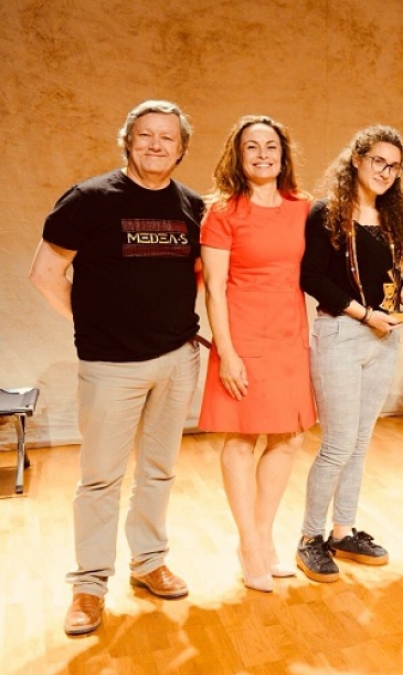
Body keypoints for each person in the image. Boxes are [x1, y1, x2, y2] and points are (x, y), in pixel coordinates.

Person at [30, 100, 203, 636]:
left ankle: (149, 562)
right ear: (128, 140)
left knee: (159, 470)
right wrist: (93, 322)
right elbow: (45, 273)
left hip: (177, 360)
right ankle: (89, 585)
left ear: (181, 149)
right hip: (111, 366)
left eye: (167, 137)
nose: (156, 145)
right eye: (145, 134)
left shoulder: (192, 206)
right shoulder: (88, 199)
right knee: (101, 478)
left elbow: (199, 275)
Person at [296, 126, 403, 581]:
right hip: (342, 334)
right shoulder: (327, 212)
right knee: (337, 445)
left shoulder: (391, 217)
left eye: (394, 167)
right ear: (357, 159)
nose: (385, 172)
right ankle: (309, 538)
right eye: (378, 162)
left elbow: (390, 277)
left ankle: (342, 531)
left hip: (384, 338)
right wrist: (365, 314)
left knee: (360, 442)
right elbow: (312, 277)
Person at [199, 115, 316, 592]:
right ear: (238, 155)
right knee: (242, 438)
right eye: (252, 147)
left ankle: (264, 536)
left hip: (289, 335)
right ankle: (248, 544)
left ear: (283, 155)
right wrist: (226, 352)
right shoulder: (223, 212)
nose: (263, 154)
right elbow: (214, 289)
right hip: (243, 336)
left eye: (271, 146)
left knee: (289, 437)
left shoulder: (303, 207)